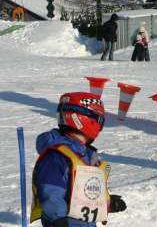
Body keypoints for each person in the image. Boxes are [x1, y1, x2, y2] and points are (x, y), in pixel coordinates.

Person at [31, 92, 127, 227]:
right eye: (99, 120)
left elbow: (83, 194)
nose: (100, 126)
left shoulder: (86, 155)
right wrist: (58, 219)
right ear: (85, 119)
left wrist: (108, 204)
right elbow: (51, 192)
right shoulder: (57, 156)